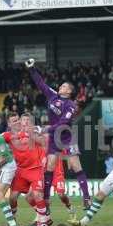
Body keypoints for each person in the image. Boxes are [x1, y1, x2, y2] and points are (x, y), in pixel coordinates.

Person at [25, 58, 92, 210]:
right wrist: (32, 69)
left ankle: (87, 198)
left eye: (64, 86)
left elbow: (63, 123)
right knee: (50, 166)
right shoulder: (53, 96)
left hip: (67, 137)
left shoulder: (71, 106)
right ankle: (47, 200)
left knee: (75, 166)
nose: (60, 87)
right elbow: (41, 84)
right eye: (61, 86)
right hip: (55, 138)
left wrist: (44, 129)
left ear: (69, 91)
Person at [2, 113, 50, 226]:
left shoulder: (33, 131)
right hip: (20, 170)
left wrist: (43, 156)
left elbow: (44, 141)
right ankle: (13, 221)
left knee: (37, 195)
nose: (18, 122)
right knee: (12, 197)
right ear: (9, 124)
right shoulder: (8, 135)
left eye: (19, 120)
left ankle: (43, 223)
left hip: (35, 168)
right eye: (15, 121)